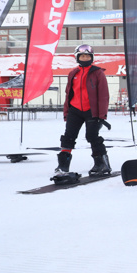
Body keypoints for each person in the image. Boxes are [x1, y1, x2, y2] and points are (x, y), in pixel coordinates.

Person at [55, 44, 111, 177]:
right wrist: (66, 112)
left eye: (87, 56)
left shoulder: (98, 73)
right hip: (74, 110)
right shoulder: (73, 73)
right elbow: (68, 94)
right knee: (68, 137)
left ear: (91, 57)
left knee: (92, 137)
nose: (85, 58)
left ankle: (102, 164)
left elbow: (104, 95)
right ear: (77, 57)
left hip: (92, 110)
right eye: (82, 56)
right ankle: (63, 165)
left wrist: (101, 115)